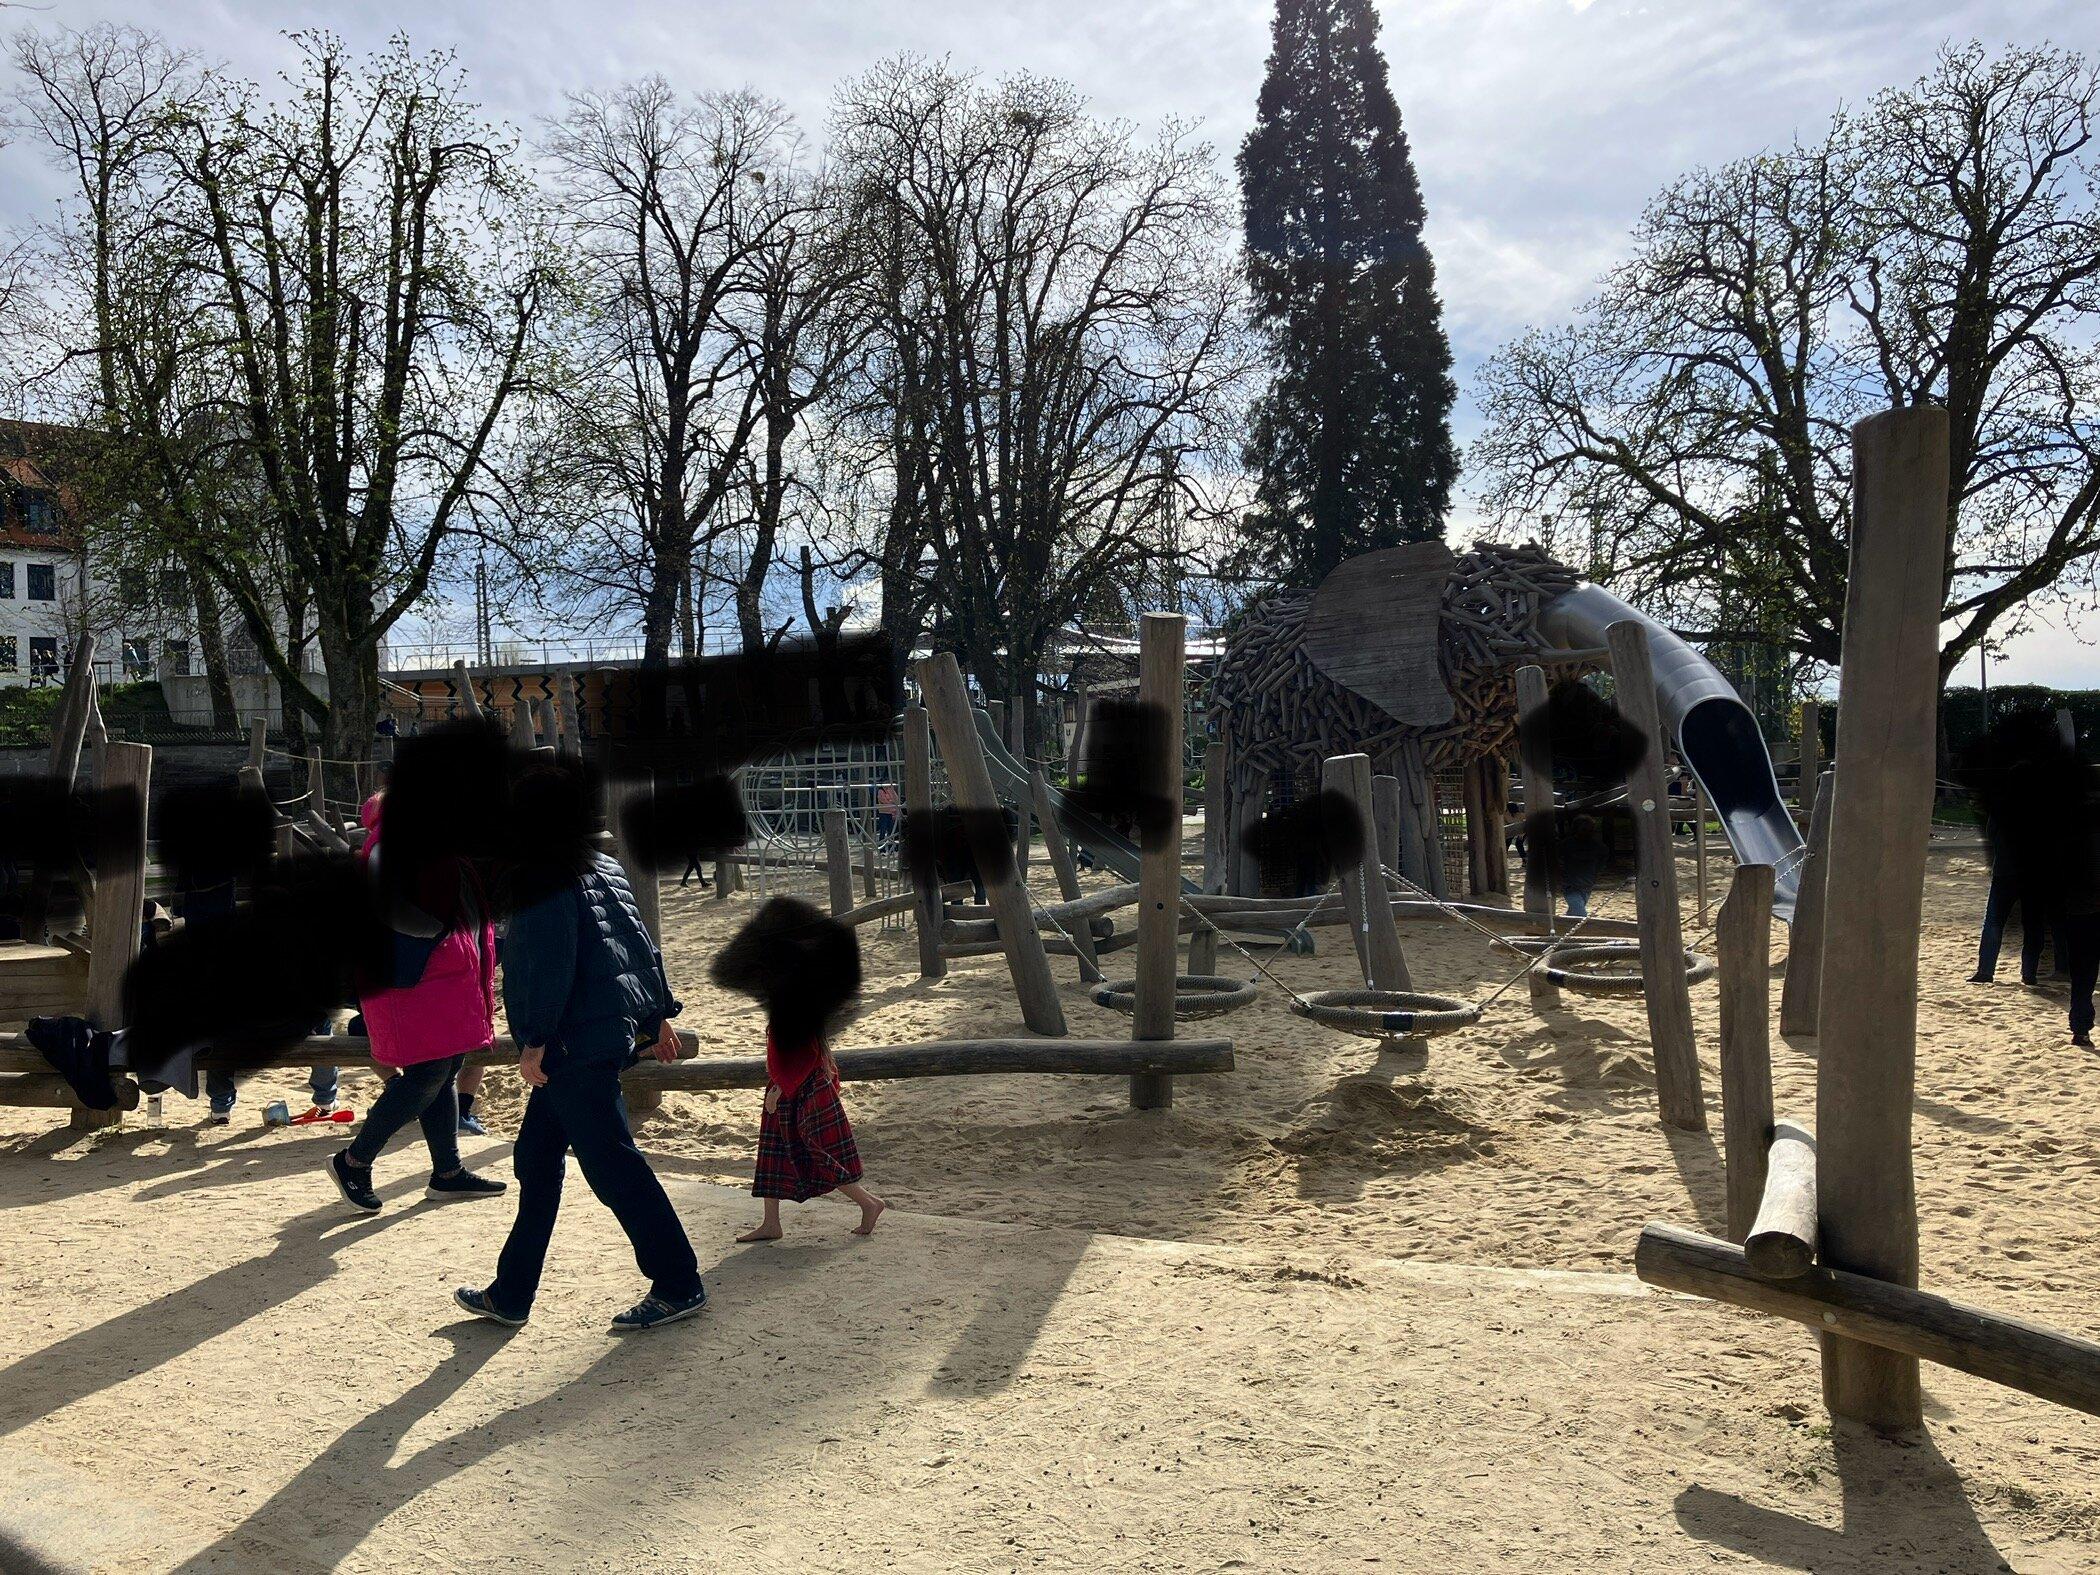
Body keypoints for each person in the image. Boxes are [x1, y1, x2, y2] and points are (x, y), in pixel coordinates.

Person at [457, 767, 703, 1333]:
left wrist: (534, 1040)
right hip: (597, 1032)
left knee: (611, 1163)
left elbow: (543, 966)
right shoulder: (601, 865)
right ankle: (512, 1291)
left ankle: (678, 1281)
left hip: (572, 1041)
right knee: (537, 1159)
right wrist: (656, 1011)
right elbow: (636, 945)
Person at [327, 793, 507, 1211]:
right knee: (427, 1074)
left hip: (442, 982)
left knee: (444, 1070)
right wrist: (439, 932)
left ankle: (447, 1172)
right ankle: (354, 1160)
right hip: (414, 983)